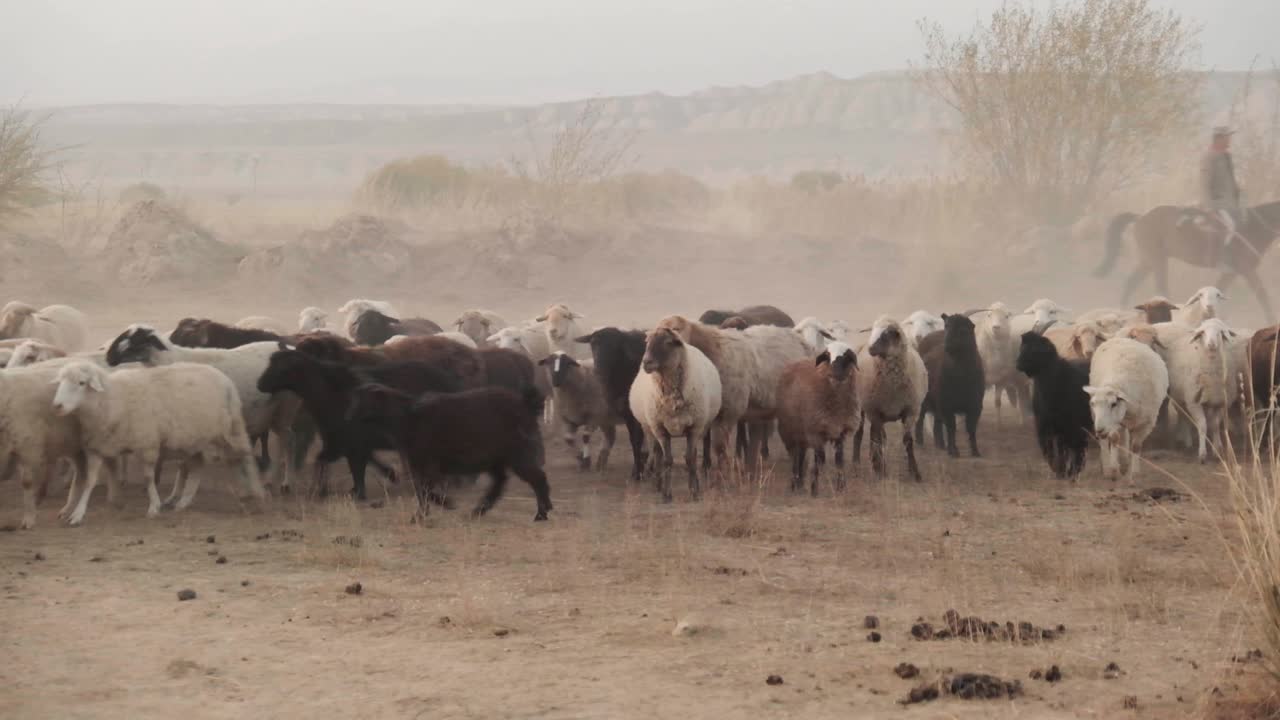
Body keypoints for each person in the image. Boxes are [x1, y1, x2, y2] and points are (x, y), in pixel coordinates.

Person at [1200, 125, 1242, 269]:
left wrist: (1237, 192)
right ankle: (1223, 260)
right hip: (1217, 203)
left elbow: (1230, 179)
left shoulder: (1227, 156)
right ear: (1219, 138)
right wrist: (1209, 206)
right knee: (1230, 227)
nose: (1230, 139)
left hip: (1230, 202)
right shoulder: (1209, 156)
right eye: (1227, 137)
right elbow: (1205, 183)